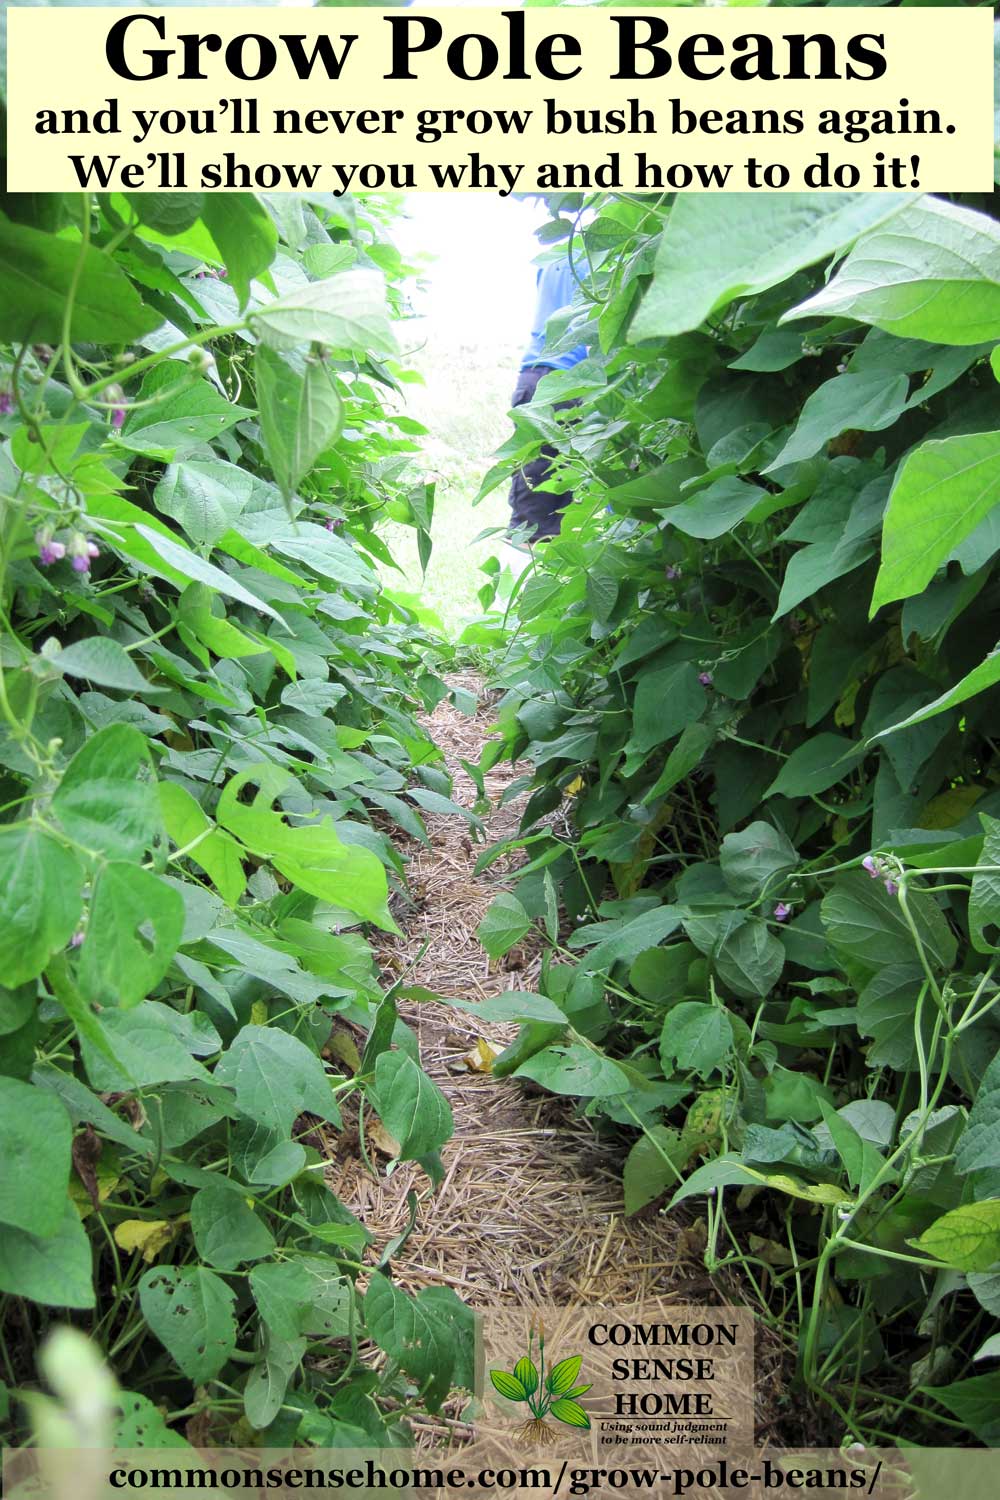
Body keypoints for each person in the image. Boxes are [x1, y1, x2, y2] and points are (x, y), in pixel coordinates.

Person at [507, 260, 588, 545]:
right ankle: (525, 584)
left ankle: (539, 582)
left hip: (533, 377)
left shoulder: (550, 258)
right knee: (545, 512)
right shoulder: (598, 255)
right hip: (573, 379)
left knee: (535, 504)